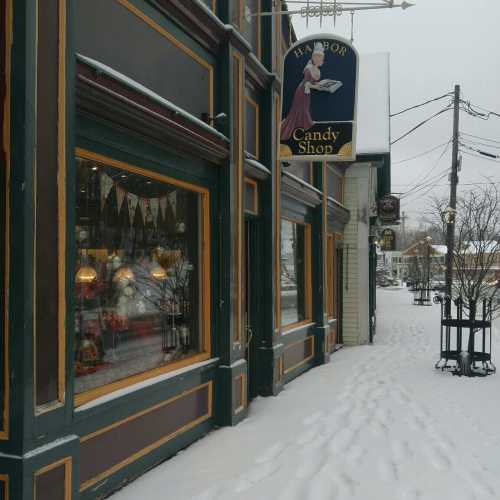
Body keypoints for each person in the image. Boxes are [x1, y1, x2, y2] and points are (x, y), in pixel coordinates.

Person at [281, 42, 325, 141]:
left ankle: (302, 125)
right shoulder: (309, 68)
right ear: (314, 58)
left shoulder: (317, 70)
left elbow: (312, 82)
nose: (320, 60)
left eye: (321, 58)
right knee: (299, 108)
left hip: (307, 91)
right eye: (318, 57)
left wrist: (318, 85)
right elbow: (307, 83)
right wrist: (317, 87)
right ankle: (301, 126)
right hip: (302, 91)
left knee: (305, 107)